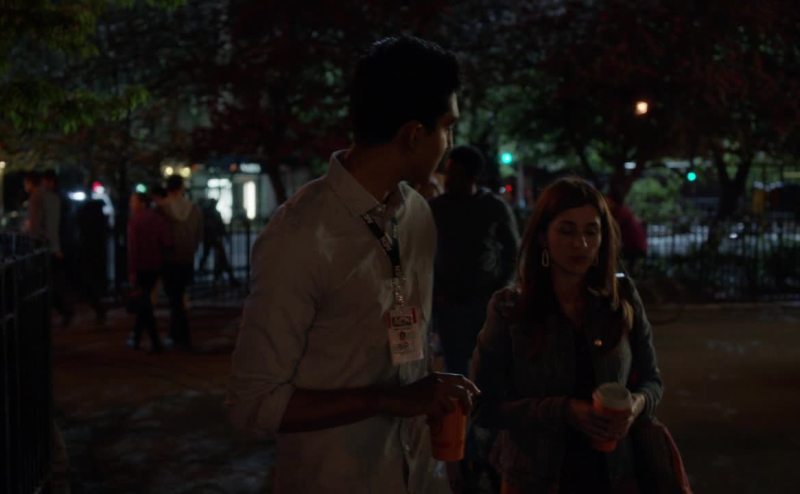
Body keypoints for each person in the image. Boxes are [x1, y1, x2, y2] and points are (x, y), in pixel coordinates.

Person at [227, 36, 479, 493]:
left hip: (419, 474)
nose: (450, 143)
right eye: (448, 127)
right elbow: (254, 403)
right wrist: (387, 399)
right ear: (413, 134)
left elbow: (409, 348)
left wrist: (428, 392)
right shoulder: (300, 236)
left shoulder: (417, 216)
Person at [470, 177, 663, 492]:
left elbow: (652, 380)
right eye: (567, 230)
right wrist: (563, 411)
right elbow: (482, 406)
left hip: (614, 474)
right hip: (534, 478)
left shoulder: (621, 298)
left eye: (591, 231)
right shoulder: (510, 308)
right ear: (543, 236)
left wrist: (636, 406)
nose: (580, 244)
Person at [429, 145, 520, 376]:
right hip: (449, 304)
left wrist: (500, 288)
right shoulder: (436, 208)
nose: (448, 179)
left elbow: (513, 251)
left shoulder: (494, 207)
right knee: (454, 368)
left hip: (483, 303)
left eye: (454, 173)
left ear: (471, 176)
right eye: (448, 172)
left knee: (489, 366)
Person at [24, 170, 73, 326]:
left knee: (46, 282)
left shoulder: (37, 197)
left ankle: (61, 311)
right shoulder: (50, 196)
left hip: (44, 245)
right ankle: (63, 310)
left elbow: (38, 224)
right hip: (51, 245)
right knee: (54, 281)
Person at [161, 174, 203, 350]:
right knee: (179, 296)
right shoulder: (193, 209)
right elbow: (199, 235)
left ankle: (180, 335)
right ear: (181, 188)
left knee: (174, 298)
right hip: (187, 258)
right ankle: (177, 334)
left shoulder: (163, 208)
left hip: (169, 258)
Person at [127, 192, 172, 352]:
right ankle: (138, 338)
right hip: (155, 265)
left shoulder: (135, 221)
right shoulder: (157, 219)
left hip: (141, 266)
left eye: (133, 202)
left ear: (142, 204)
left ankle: (153, 341)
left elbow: (133, 249)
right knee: (145, 301)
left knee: (144, 304)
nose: (131, 205)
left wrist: (132, 271)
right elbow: (167, 241)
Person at [198, 198, 239, 286]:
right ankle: (226, 276)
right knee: (219, 256)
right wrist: (225, 235)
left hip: (211, 238)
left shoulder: (208, 213)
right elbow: (220, 226)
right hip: (213, 238)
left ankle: (218, 275)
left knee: (214, 255)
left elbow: (220, 226)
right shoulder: (211, 213)